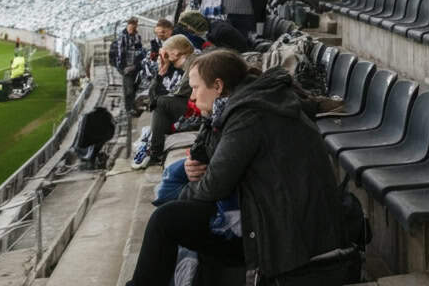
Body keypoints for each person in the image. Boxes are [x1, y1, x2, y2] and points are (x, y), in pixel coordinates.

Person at [125, 51, 344, 286]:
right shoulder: (252, 102)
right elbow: (210, 157)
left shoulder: (248, 115)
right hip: (286, 219)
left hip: (284, 234)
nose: (192, 97)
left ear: (218, 86)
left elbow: (213, 186)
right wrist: (210, 119)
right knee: (186, 213)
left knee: (165, 220)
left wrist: (182, 195)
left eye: (196, 88)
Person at [139, 34, 195, 167]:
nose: (163, 56)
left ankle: (155, 151)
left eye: (166, 52)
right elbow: (153, 100)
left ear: (175, 52)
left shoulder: (192, 63)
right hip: (191, 105)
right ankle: (156, 150)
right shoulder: (185, 64)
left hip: (196, 108)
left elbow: (176, 93)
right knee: (161, 104)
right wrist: (161, 73)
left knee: (162, 103)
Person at [111, 17, 145, 113]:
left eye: (133, 27)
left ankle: (132, 106)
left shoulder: (137, 36)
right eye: (130, 28)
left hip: (135, 66)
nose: (131, 30)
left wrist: (137, 65)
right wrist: (123, 68)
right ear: (127, 26)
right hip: (126, 67)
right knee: (128, 89)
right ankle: (129, 108)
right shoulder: (122, 37)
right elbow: (119, 54)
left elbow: (140, 51)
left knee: (135, 87)